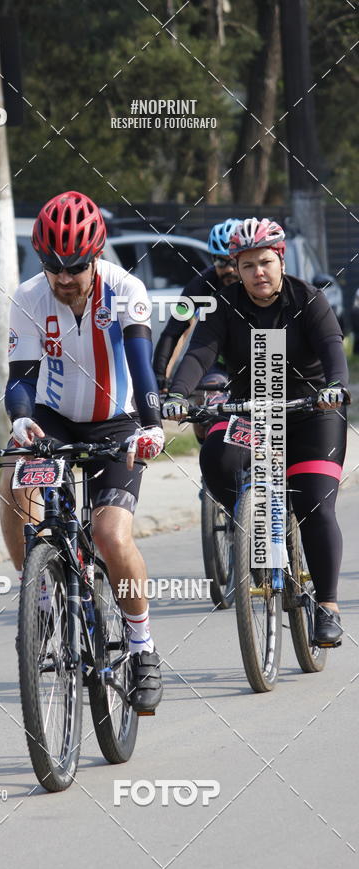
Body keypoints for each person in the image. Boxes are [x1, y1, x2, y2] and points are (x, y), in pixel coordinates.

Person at [0, 190, 165, 712]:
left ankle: (141, 647)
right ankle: (40, 595)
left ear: (96, 255)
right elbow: (19, 379)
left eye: (74, 266)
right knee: (10, 481)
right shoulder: (28, 297)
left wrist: (154, 426)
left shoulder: (125, 288)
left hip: (118, 420)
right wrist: (21, 418)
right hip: (52, 418)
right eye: (53, 266)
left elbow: (143, 369)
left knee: (110, 535)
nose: (64, 278)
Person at [162, 218, 350, 647]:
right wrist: (176, 393)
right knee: (216, 456)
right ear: (237, 268)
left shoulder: (309, 299)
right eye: (247, 266)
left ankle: (328, 605)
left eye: (265, 262)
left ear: (280, 259)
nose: (258, 273)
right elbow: (198, 354)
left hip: (310, 409)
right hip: (252, 408)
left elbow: (332, 350)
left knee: (314, 504)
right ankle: (251, 525)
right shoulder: (223, 305)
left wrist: (334, 388)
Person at [153, 218, 241, 392]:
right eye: (220, 261)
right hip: (220, 364)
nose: (229, 269)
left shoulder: (260, 286)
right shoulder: (201, 284)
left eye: (233, 261)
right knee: (208, 399)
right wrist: (159, 376)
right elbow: (174, 331)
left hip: (259, 360)